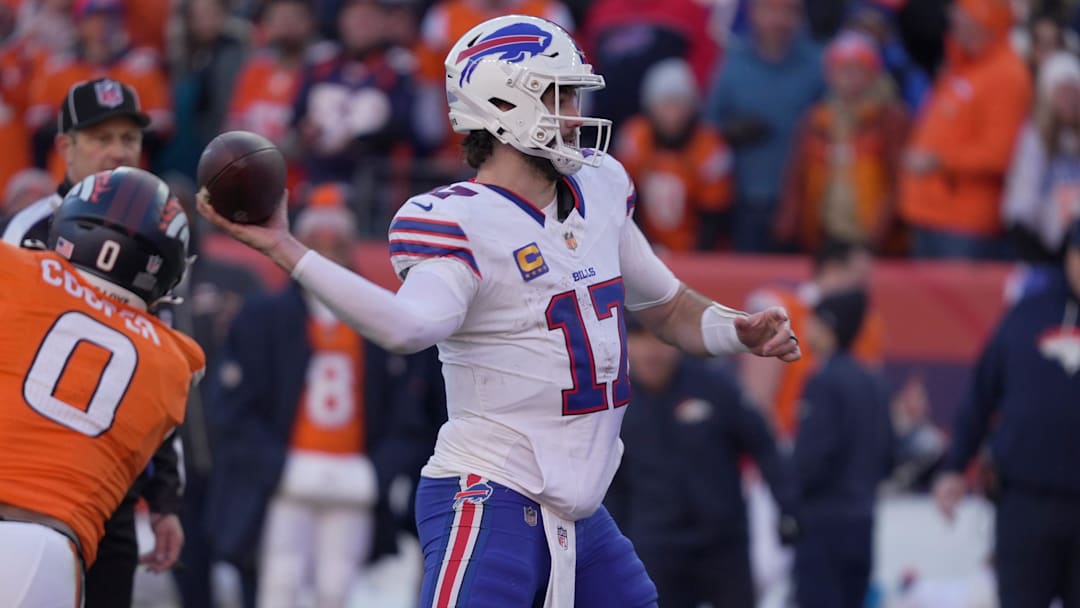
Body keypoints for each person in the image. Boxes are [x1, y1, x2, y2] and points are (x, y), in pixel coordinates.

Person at [198, 14, 801, 608]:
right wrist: (288, 249)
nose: (574, 114)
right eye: (558, 96)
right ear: (503, 106)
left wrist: (735, 330)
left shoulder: (599, 186)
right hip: (490, 495)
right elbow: (407, 328)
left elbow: (666, 307)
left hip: (579, 514)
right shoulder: (457, 219)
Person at [0, 77, 189, 608]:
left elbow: (160, 384)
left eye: (128, 139)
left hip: (110, 487)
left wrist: (166, 496)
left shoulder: (154, 235)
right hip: (23, 476)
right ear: (66, 147)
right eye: (101, 138)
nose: (117, 152)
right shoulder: (27, 230)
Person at [205, 187, 403, 608]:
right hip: (286, 473)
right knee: (279, 582)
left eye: (337, 241)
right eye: (317, 241)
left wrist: (379, 471)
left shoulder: (379, 316)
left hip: (353, 470)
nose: (327, 250)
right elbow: (232, 408)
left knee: (337, 588)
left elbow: (409, 409)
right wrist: (274, 466)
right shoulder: (263, 317)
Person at [933, 218, 1080, 608]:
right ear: (1068, 255)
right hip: (1025, 502)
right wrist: (955, 466)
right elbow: (982, 394)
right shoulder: (1026, 316)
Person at [606, 320, 794, 608]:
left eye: (657, 339)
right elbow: (609, 482)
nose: (650, 351)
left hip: (723, 543)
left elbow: (763, 445)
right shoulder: (615, 403)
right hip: (655, 544)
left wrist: (788, 508)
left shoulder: (714, 384)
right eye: (639, 339)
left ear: (675, 341)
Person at [898, 0, 1032, 259]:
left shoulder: (1007, 76)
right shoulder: (960, 64)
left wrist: (939, 161)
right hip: (929, 212)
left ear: (983, 24)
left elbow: (1000, 154)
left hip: (964, 223)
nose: (953, 27)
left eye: (962, 21)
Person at [790, 288, 894, 608]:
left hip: (823, 527)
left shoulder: (822, 380)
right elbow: (888, 455)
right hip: (863, 522)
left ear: (827, 326)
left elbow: (813, 456)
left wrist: (790, 498)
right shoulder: (873, 381)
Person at [704, 0, 824, 253]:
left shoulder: (818, 65)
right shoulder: (733, 63)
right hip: (746, 200)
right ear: (754, 14)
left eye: (788, 11)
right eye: (770, 10)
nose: (778, 20)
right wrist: (729, 132)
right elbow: (708, 127)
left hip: (807, 202)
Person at [775, 31, 910, 255]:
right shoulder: (817, 119)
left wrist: (880, 232)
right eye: (844, 70)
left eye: (859, 70)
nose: (851, 78)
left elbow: (899, 180)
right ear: (831, 74)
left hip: (871, 235)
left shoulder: (889, 117)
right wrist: (789, 221)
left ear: (873, 74)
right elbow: (797, 174)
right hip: (825, 230)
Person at [615, 58, 733, 252]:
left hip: (694, 248)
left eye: (679, 104)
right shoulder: (635, 138)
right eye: (665, 104)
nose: (673, 115)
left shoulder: (709, 147)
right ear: (650, 106)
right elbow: (625, 204)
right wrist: (645, 250)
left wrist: (695, 258)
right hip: (646, 245)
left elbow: (714, 214)